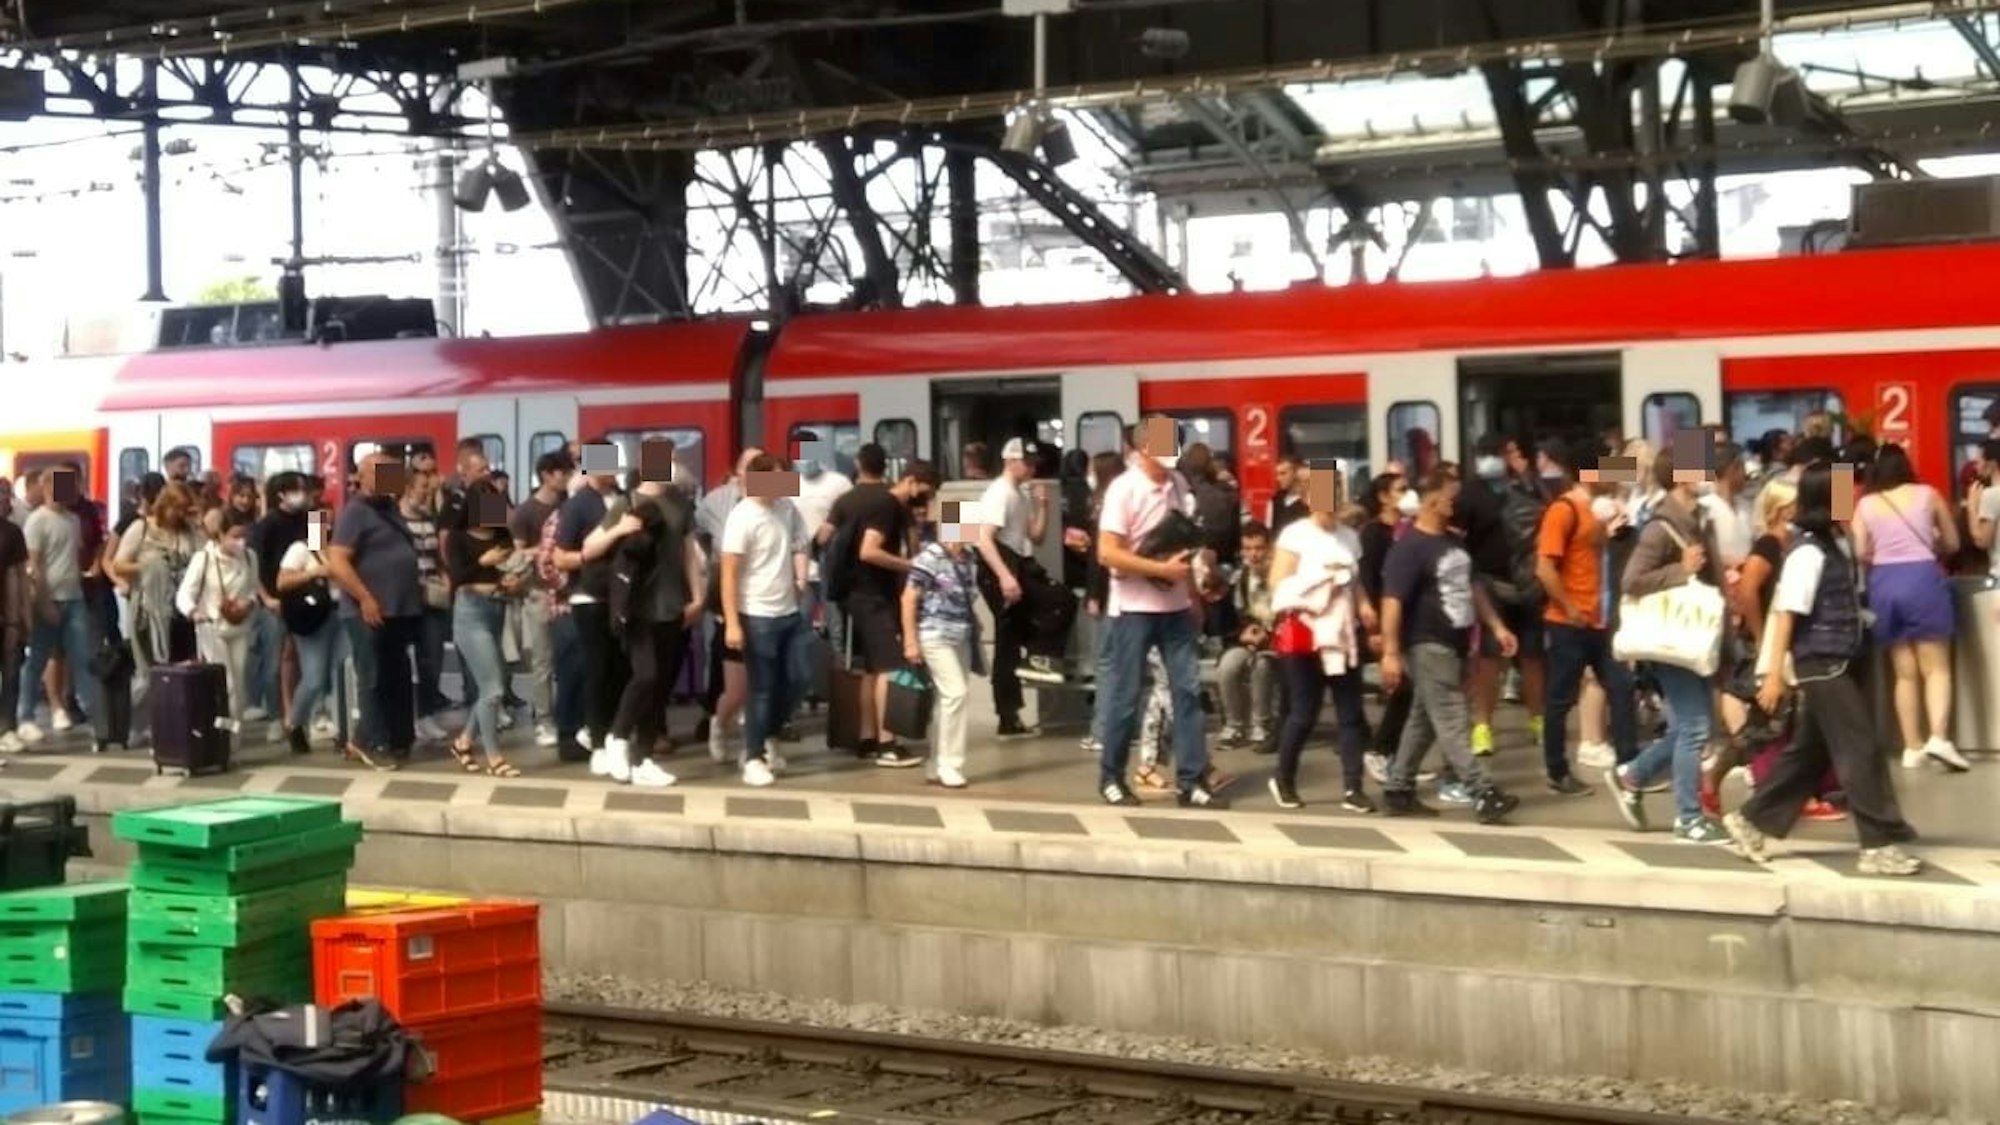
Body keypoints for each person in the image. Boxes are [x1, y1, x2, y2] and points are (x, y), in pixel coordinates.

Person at [1723, 463, 1923, 877]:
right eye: (1842, 491)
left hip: (1844, 656)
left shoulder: (1839, 542)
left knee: (1811, 753)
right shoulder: (1808, 552)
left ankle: (1750, 820)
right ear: (1824, 498)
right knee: (1859, 747)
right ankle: (1876, 845)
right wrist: (1773, 673)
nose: (1851, 498)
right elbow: (1786, 614)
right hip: (1821, 662)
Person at [1092, 417, 1226, 809]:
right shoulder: (1124, 489)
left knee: (1187, 692)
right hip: (1133, 608)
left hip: (1176, 607)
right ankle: (1111, 777)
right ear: (1143, 446)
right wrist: (1159, 570)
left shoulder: (1179, 485)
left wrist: (1194, 596)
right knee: (1126, 695)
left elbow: (1185, 545)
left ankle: (1191, 780)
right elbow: (1107, 552)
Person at [1377, 468, 1520, 823]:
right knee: (1452, 718)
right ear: (1431, 502)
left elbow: (1473, 588)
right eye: (1450, 498)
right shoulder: (1409, 548)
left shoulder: (1454, 541)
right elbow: (1392, 602)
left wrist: (1496, 626)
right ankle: (1482, 792)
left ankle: (1398, 788)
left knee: (1424, 719)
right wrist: (1390, 653)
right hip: (1427, 644)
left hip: (1455, 642)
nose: (1456, 503)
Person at [1603, 447, 1728, 844]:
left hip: (1695, 636)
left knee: (1694, 725)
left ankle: (1633, 775)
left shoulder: (1698, 518)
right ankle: (1688, 817)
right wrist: (1681, 569)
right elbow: (1631, 581)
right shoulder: (1661, 527)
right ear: (1683, 476)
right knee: (1694, 726)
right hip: (1673, 637)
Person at [1851, 442, 1969, 772]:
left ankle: (1911, 746)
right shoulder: (1928, 494)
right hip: (1922, 578)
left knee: (1904, 673)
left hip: (1884, 583)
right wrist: (1932, 543)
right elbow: (1954, 543)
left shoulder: (1865, 502)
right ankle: (1939, 738)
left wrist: (1880, 555)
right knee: (1936, 668)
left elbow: (1857, 550)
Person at [585, 464, 703, 787]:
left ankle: (644, 758)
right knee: (645, 675)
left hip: (672, 605)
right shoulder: (627, 502)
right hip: (637, 607)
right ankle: (618, 736)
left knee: (659, 684)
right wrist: (620, 529)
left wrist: (698, 595)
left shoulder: (680, 503)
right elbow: (589, 548)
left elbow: (689, 552)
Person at [1266, 474, 1372, 811]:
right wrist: (1322, 579)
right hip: (1306, 630)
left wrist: (1365, 606)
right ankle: (1284, 778)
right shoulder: (1295, 534)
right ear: (1308, 498)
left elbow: (1356, 582)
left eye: (1335, 493)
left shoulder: (1350, 537)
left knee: (1350, 712)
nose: (1329, 502)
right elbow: (1278, 583)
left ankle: (1353, 787)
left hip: (1342, 632)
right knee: (1303, 713)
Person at [324, 452, 422, 771]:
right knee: (372, 676)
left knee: (397, 673)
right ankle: (372, 740)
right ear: (362, 476)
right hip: (364, 608)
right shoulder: (350, 512)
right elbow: (333, 558)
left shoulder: (390, 509)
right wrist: (364, 596)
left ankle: (395, 736)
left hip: (398, 609)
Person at [721, 452, 811, 788]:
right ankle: (754, 756)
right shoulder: (742, 517)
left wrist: (800, 580)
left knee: (800, 678)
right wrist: (732, 622)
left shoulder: (786, 508)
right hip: (756, 615)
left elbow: (800, 545)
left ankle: (768, 733)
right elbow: (729, 573)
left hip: (789, 611)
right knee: (762, 688)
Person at [441, 480, 529, 779]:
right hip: (470, 613)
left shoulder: (501, 534)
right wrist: (482, 561)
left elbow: (508, 570)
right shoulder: (458, 537)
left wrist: (512, 582)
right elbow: (457, 577)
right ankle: (494, 757)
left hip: (497, 608)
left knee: (496, 681)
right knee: (493, 688)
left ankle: (464, 742)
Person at [900, 501, 985, 789]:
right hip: (934, 634)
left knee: (948, 699)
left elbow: (965, 594)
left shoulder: (969, 559)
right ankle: (951, 764)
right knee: (956, 694)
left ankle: (937, 763)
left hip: (960, 634)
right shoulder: (930, 558)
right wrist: (910, 640)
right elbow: (909, 598)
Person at [974, 438, 1049, 741]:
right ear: (1010, 461)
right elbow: (982, 538)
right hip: (1000, 570)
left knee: (1011, 640)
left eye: (1034, 464)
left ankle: (1010, 714)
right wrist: (1005, 576)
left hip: (1014, 566)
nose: (1032, 469)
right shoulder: (999, 493)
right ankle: (1007, 715)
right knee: (1008, 641)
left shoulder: (1019, 494)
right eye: (1027, 463)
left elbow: (1036, 536)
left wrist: (1042, 506)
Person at [175, 509, 261, 735]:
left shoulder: (250, 557)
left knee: (239, 684)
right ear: (220, 535)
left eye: (243, 536)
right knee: (227, 684)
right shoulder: (204, 559)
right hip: (213, 627)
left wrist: (249, 603)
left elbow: (253, 588)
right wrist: (194, 612)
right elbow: (184, 594)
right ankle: (223, 735)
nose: (240, 542)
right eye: (235, 536)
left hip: (241, 627)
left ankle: (233, 737)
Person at [275, 507, 339, 756]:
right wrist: (313, 572)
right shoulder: (300, 549)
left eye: (330, 522)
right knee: (314, 677)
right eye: (321, 522)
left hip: (337, 613)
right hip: (312, 618)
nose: (327, 527)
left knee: (340, 673)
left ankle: (340, 728)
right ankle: (295, 722)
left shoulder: (335, 549)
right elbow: (282, 582)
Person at [1215, 521, 1277, 749]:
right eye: (1248, 549)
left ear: (1269, 548)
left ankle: (1262, 723)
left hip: (1276, 641)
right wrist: (1243, 633)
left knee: (1262, 665)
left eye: (1259, 548)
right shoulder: (1241, 578)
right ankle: (1235, 725)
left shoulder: (1279, 574)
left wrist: (1268, 634)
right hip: (1248, 637)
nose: (1253, 554)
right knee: (1228, 666)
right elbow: (1231, 616)